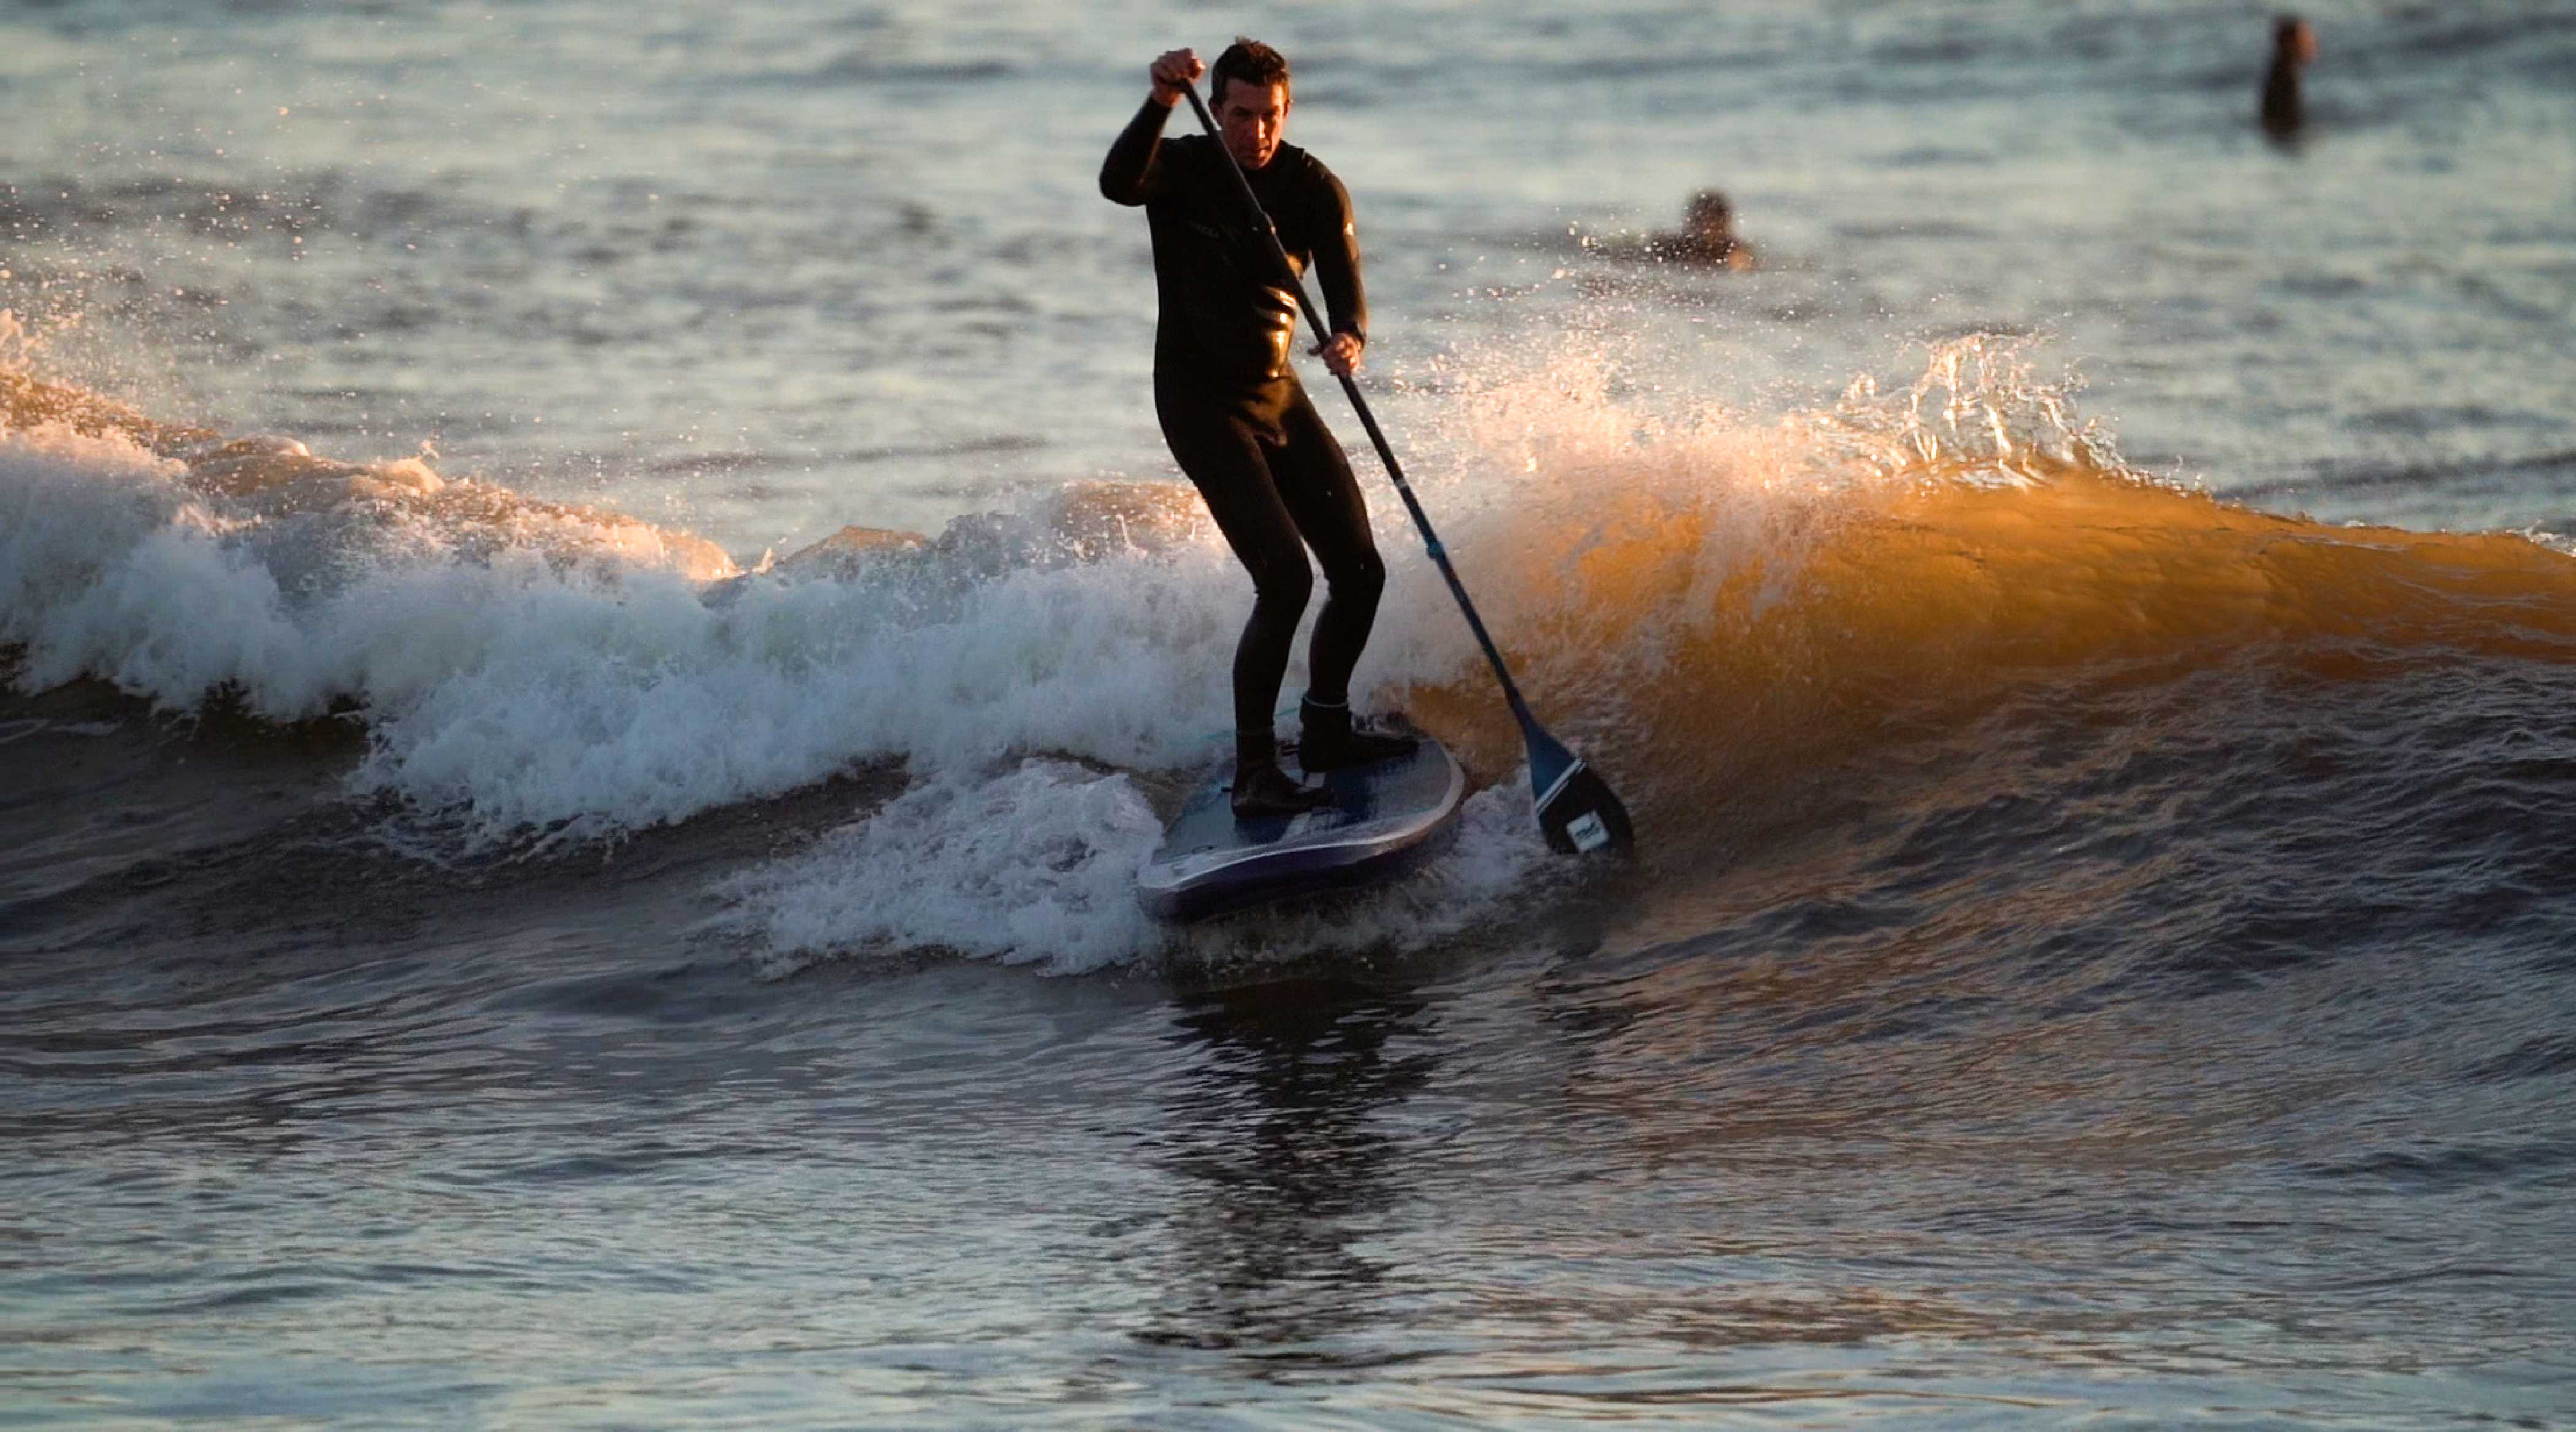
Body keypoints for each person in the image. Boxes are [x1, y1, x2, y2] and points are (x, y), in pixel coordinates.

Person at [1100, 39, 1416, 817]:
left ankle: (1325, 730)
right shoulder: (1183, 168)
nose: (1257, 133)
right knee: (1284, 577)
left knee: (1362, 570)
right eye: (1241, 116)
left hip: (1278, 397)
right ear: (1222, 109)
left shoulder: (1313, 187)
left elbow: (1348, 293)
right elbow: (1116, 184)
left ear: (1287, 109)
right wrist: (1162, 100)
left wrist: (1350, 339)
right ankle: (1253, 772)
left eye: (1271, 117)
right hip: (1199, 402)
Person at [1646, 190, 1757, 270]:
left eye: (1711, 222)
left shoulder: (1734, 252)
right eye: (1699, 221)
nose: (1706, 230)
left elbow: (1743, 268)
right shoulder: (1671, 247)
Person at [2261, 14, 2318, 143]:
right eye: (2306, 40)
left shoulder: (2281, 70)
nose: (2312, 45)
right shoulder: (2286, 76)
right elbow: (2288, 117)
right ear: (2290, 44)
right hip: (2283, 137)